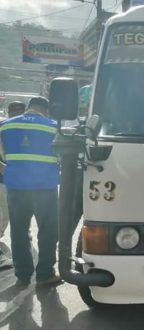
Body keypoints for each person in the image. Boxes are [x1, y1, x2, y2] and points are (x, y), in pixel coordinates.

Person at [0, 96, 62, 287]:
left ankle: (23, 274)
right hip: (45, 188)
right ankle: (45, 274)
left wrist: (5, 167)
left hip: (16, 187)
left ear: (29, 108)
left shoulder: (5, 126)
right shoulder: (54, 127)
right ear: (46, 110)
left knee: (18, 231)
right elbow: (63, 157)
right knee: (48, 231)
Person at [0, 101, 27, 269]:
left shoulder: (25, 129)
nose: (17, 114)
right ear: (9, 112)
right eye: (14, 111)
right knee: (3, 212)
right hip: (3, 178)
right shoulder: (3, 127)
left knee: (12, 211)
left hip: (19, 180)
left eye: (20, 111)